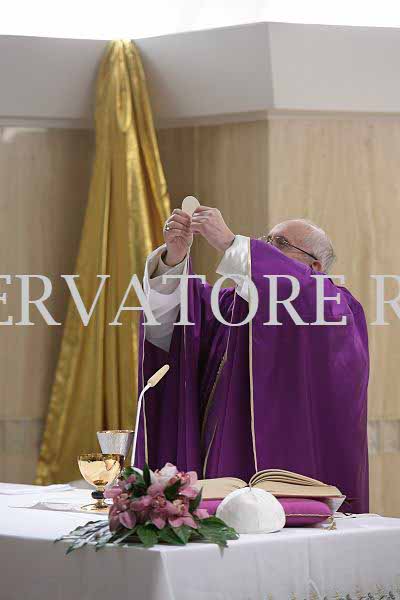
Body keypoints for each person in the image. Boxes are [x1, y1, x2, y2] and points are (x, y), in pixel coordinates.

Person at [135, 207, 369, 513]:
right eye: (265, 241)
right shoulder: (228, 305)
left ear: (315, 267)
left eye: (280, 243)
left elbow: (299, 291)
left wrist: (231, 244)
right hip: (215, 473)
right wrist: (173, 261)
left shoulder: (333, 306)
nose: (264, 249)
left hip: (288, 471)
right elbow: (173, 329)